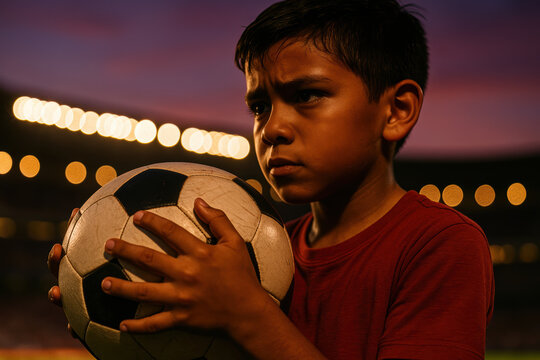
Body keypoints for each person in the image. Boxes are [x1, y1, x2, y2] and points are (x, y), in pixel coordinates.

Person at [48, 0, 495, 359]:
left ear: (396, 110)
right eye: (259, 106)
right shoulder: (260, 245)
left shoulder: (440, 243)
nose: (272, 128)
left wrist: (248, 315)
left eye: (307, 95)